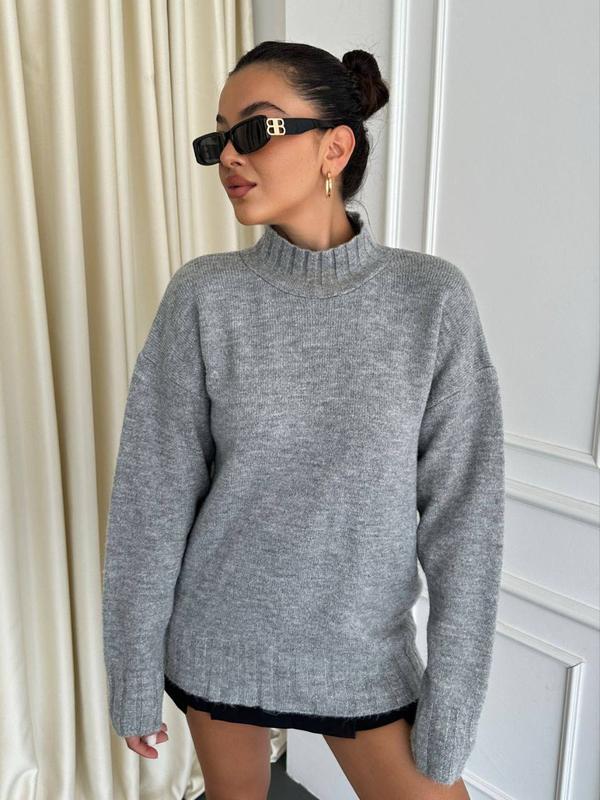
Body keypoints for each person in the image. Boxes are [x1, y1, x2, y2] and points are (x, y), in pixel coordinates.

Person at [102, 40, 505, 800]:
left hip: (364, 654)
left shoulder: (431, 300)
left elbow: (466, 522)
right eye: (219, 138)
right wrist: (132, 673)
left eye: (255, 129)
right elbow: (151, 502)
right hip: (219, 642)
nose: (229, 155)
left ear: (335, 148)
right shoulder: (205, 296)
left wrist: (451, 707)